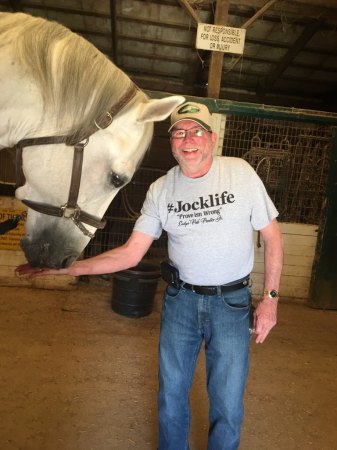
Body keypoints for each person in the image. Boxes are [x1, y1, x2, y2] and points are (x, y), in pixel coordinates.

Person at [17, 101, 283, 450]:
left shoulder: (241, 174)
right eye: (179, 133)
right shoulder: (161, 190)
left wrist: (270, 300)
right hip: (181, 302)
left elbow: (272, 237)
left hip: (231, 304)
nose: (189, 139)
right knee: (171, 396)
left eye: (197, 131)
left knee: (227, 401)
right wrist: (68, 267)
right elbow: (130, 252)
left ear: (212, 139)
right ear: (171, 143)